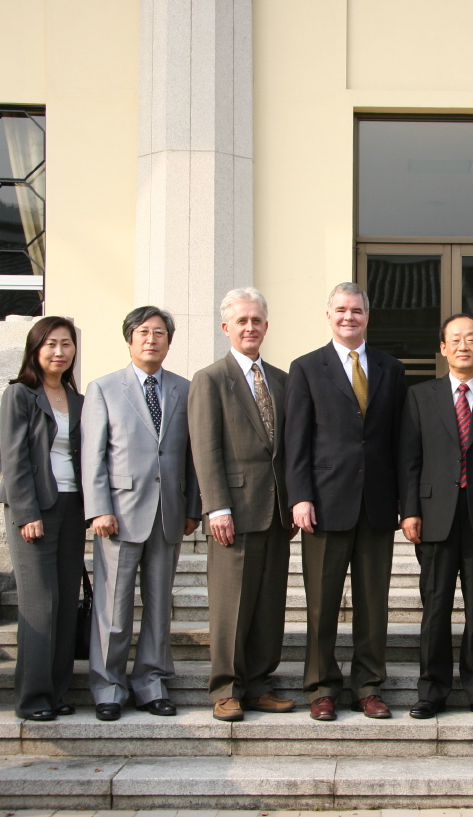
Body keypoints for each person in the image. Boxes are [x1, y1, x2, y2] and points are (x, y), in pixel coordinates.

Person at [285, 282, 407, 721]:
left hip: (376, 505)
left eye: (356, 310)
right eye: (340, 310)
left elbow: (400, 442)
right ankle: (321, 687)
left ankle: (369, 686)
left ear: (367, 316)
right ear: (328, 315)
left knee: (374, 603)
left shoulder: (392, 369)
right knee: (321, 604)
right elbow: (295, 440)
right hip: (324, 503)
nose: (348, 317)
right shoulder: (306, 368)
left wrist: (404, 502)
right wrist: (299, 496)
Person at [399, 314, 473, 721]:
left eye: (472, 339)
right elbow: (409, 459)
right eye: (455, 339)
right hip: (434, 517)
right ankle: (431, 690)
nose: (464, 345)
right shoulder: (420, 396)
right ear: (443, 348)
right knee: (435, 608)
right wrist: (410, 510)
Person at [83, 306, 202, 721]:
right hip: (119, 513)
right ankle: (109, 686)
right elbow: (92, 455)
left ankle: (150, 682)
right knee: (113, 608)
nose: (151, 340)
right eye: (143, 332)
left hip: (168, 514)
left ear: (169, 341)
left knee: (158, 606)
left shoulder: (184, 389)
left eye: (159, 334)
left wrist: (193, 509)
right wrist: (98, 508)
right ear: (129, 338)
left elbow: (192, 456)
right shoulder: (103, 389)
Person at [189, 287, 296, 723]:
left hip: (277, 511)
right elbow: (205, 447)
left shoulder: (283, 379)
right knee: (231, 605)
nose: (250, 327)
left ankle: (259, 684)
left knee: (269, 603)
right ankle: (226, 689)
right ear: (226, 328)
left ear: (266, 326)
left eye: (257, 320)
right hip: (233, 509)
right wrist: (216, 507)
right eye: (242, 321)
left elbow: (287, 448)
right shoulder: (210, 379)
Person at [0, 316, 85, 721]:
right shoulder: (20, 395)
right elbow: (14, 459)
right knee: (40, 604)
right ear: (35, 349)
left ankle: (56, 692)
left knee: (67, 602)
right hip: (36, 510)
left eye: (66, 344)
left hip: (72, 507)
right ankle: (32, 698)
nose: (59, 352)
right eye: (50, 344)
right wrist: (26, 511)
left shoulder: (76, 398)